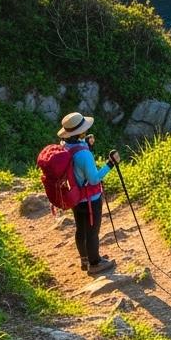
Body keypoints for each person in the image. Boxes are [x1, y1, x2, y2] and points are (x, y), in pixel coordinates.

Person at [57, 112, 119, 274]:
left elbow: (75, 151)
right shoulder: (84, 155)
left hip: (75, 197)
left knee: (81, 229)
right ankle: (95, 263)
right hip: (90, 199)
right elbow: (94, 180)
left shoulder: (64, 146)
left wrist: (85, 143)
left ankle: (85, 260)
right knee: (92, 231)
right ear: (81, 132)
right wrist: (110, 164)